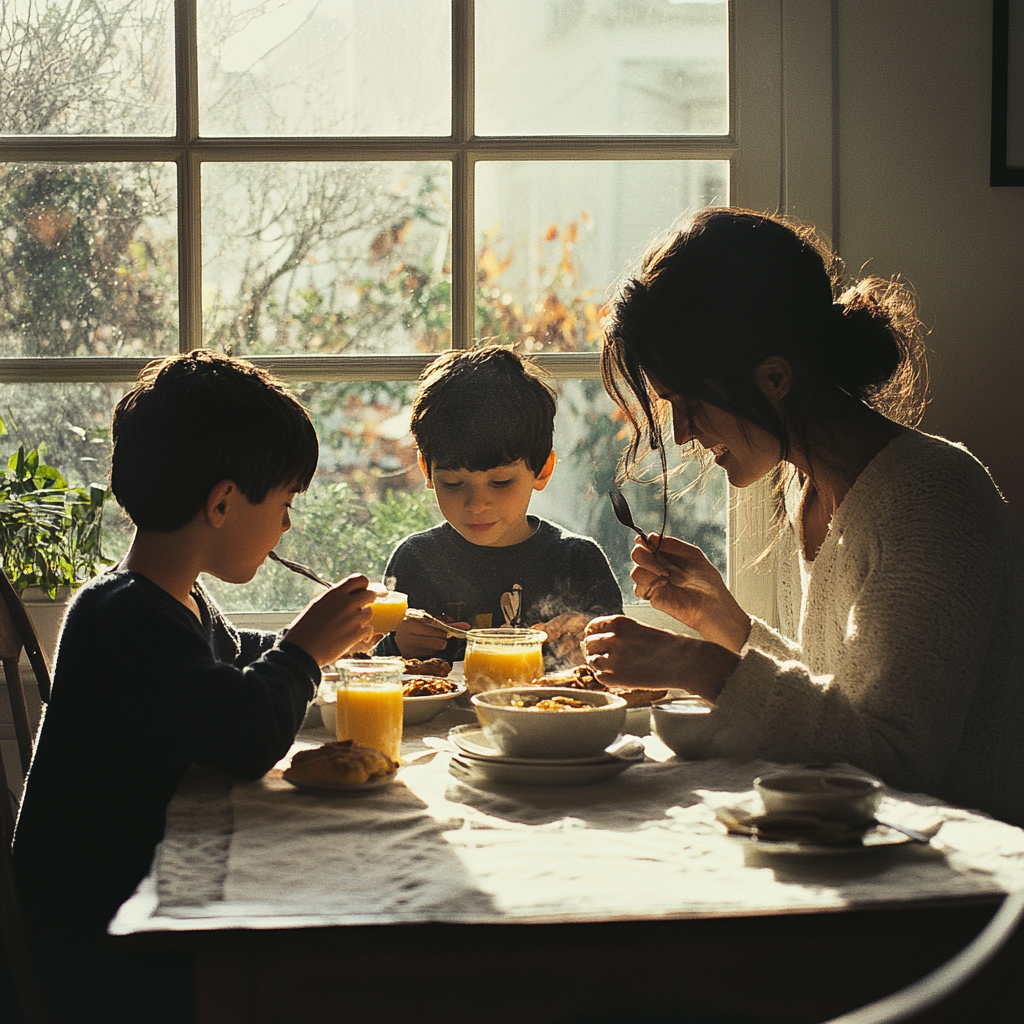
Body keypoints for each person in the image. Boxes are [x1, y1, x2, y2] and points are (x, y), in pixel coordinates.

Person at [582, 208, 1024, 827]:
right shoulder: (807, 490)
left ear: (775, 377)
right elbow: (839, 708)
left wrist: (698, 665)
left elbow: (894, 760)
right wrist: (726, 621)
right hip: (858, 852)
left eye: (688, 403)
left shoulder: (934, 501)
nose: (681, 434)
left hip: (957, 885)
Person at [12, 350, 378, 1022]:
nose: (288, 526)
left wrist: (325, 644)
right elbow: (245, 733)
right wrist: (303, 651)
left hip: (150, 896)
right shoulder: (119, 619)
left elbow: (228, 666)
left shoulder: (169, 599)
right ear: (223, 503)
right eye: (286, 503)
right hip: (111, 947)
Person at [376, 346, 622, 666]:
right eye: (453, 483)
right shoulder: (417, 561)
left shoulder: (577, 562)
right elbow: (370, 667)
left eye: (501, 482)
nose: (477, 504)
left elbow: (619, 662)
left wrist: (590, 647)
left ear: (542, 470)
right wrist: (397, 646)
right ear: (427, 471)